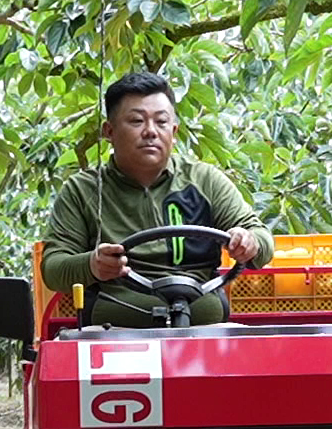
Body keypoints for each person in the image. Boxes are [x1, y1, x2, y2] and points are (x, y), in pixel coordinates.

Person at [41, 72, 274, 327]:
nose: (150, 132)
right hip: (111, 338)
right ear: (109, 131)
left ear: (173, 132)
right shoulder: (82, 190)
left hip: (208, 333)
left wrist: (250, 242)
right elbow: (53, 268)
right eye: (137, 121)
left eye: (161, 122)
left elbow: (261, 240)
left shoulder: (205, 180)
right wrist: (92, 265)